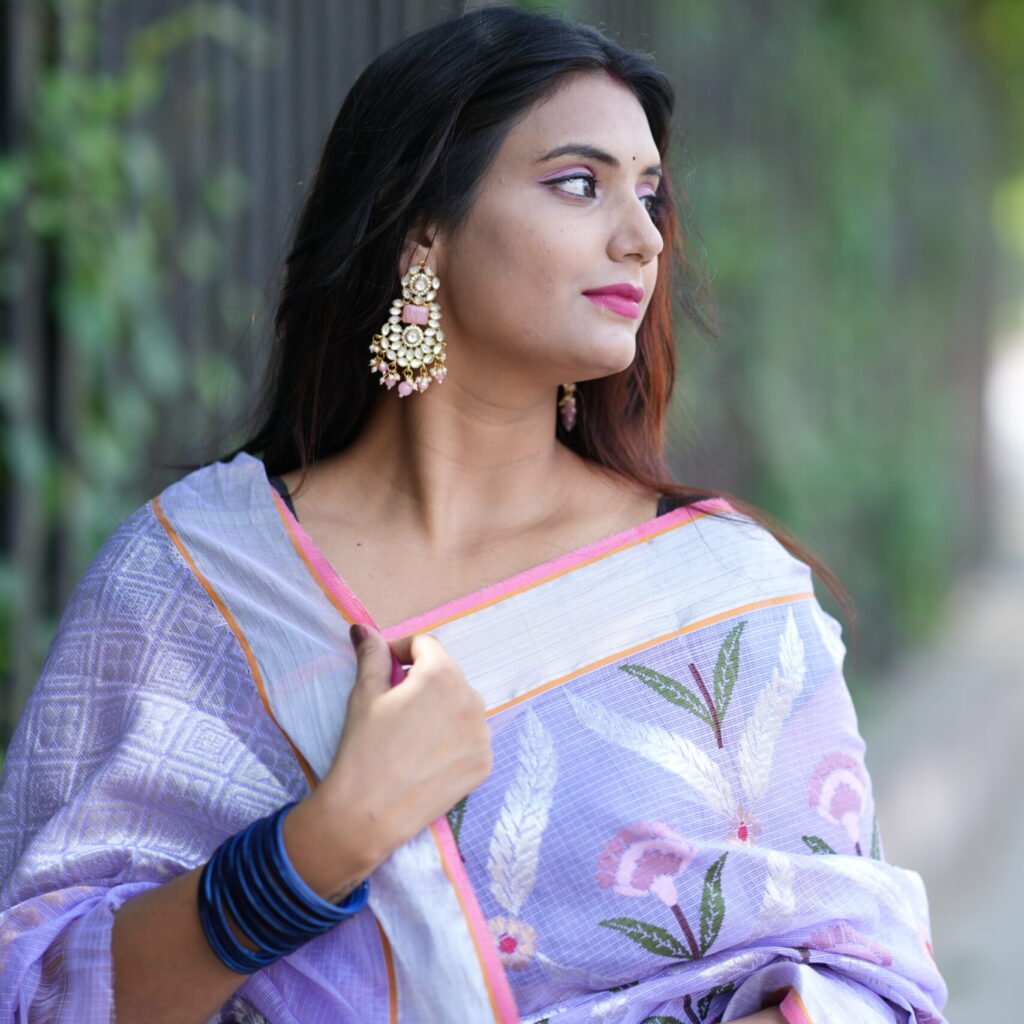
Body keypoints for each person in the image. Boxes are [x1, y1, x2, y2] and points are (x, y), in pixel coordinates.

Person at [0, 6, 948, 1024]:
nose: (642, 238)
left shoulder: (722, 595)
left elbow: (863, 970)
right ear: (423, 226)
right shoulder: (198, 582)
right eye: (579, 184)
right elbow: (42, 987)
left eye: (651, 194)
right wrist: (321, 844)